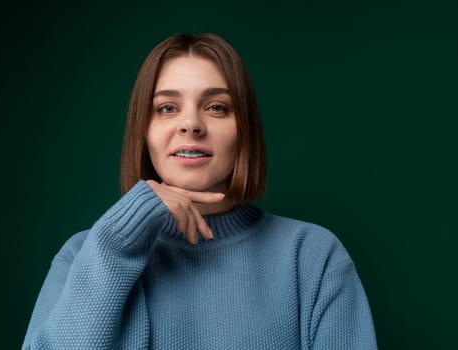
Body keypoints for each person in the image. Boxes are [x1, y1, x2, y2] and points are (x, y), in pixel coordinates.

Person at [22, 33, 377, 349]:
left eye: (217, 107)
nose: (191, 124)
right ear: (143, 133)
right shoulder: (85, 254)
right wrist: (116, 243)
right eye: (166, 108)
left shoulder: (313, 257)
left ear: (244, 131)